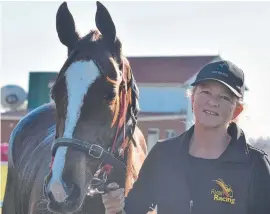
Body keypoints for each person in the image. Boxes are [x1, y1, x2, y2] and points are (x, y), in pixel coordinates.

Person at [102, 60, 270, 214]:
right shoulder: (163, 154)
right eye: (205, 92)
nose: (213, 102)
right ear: (192, 98)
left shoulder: (255, 166)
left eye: (224, 97)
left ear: (237, 110)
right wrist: (116, 209)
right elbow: (134, 209)